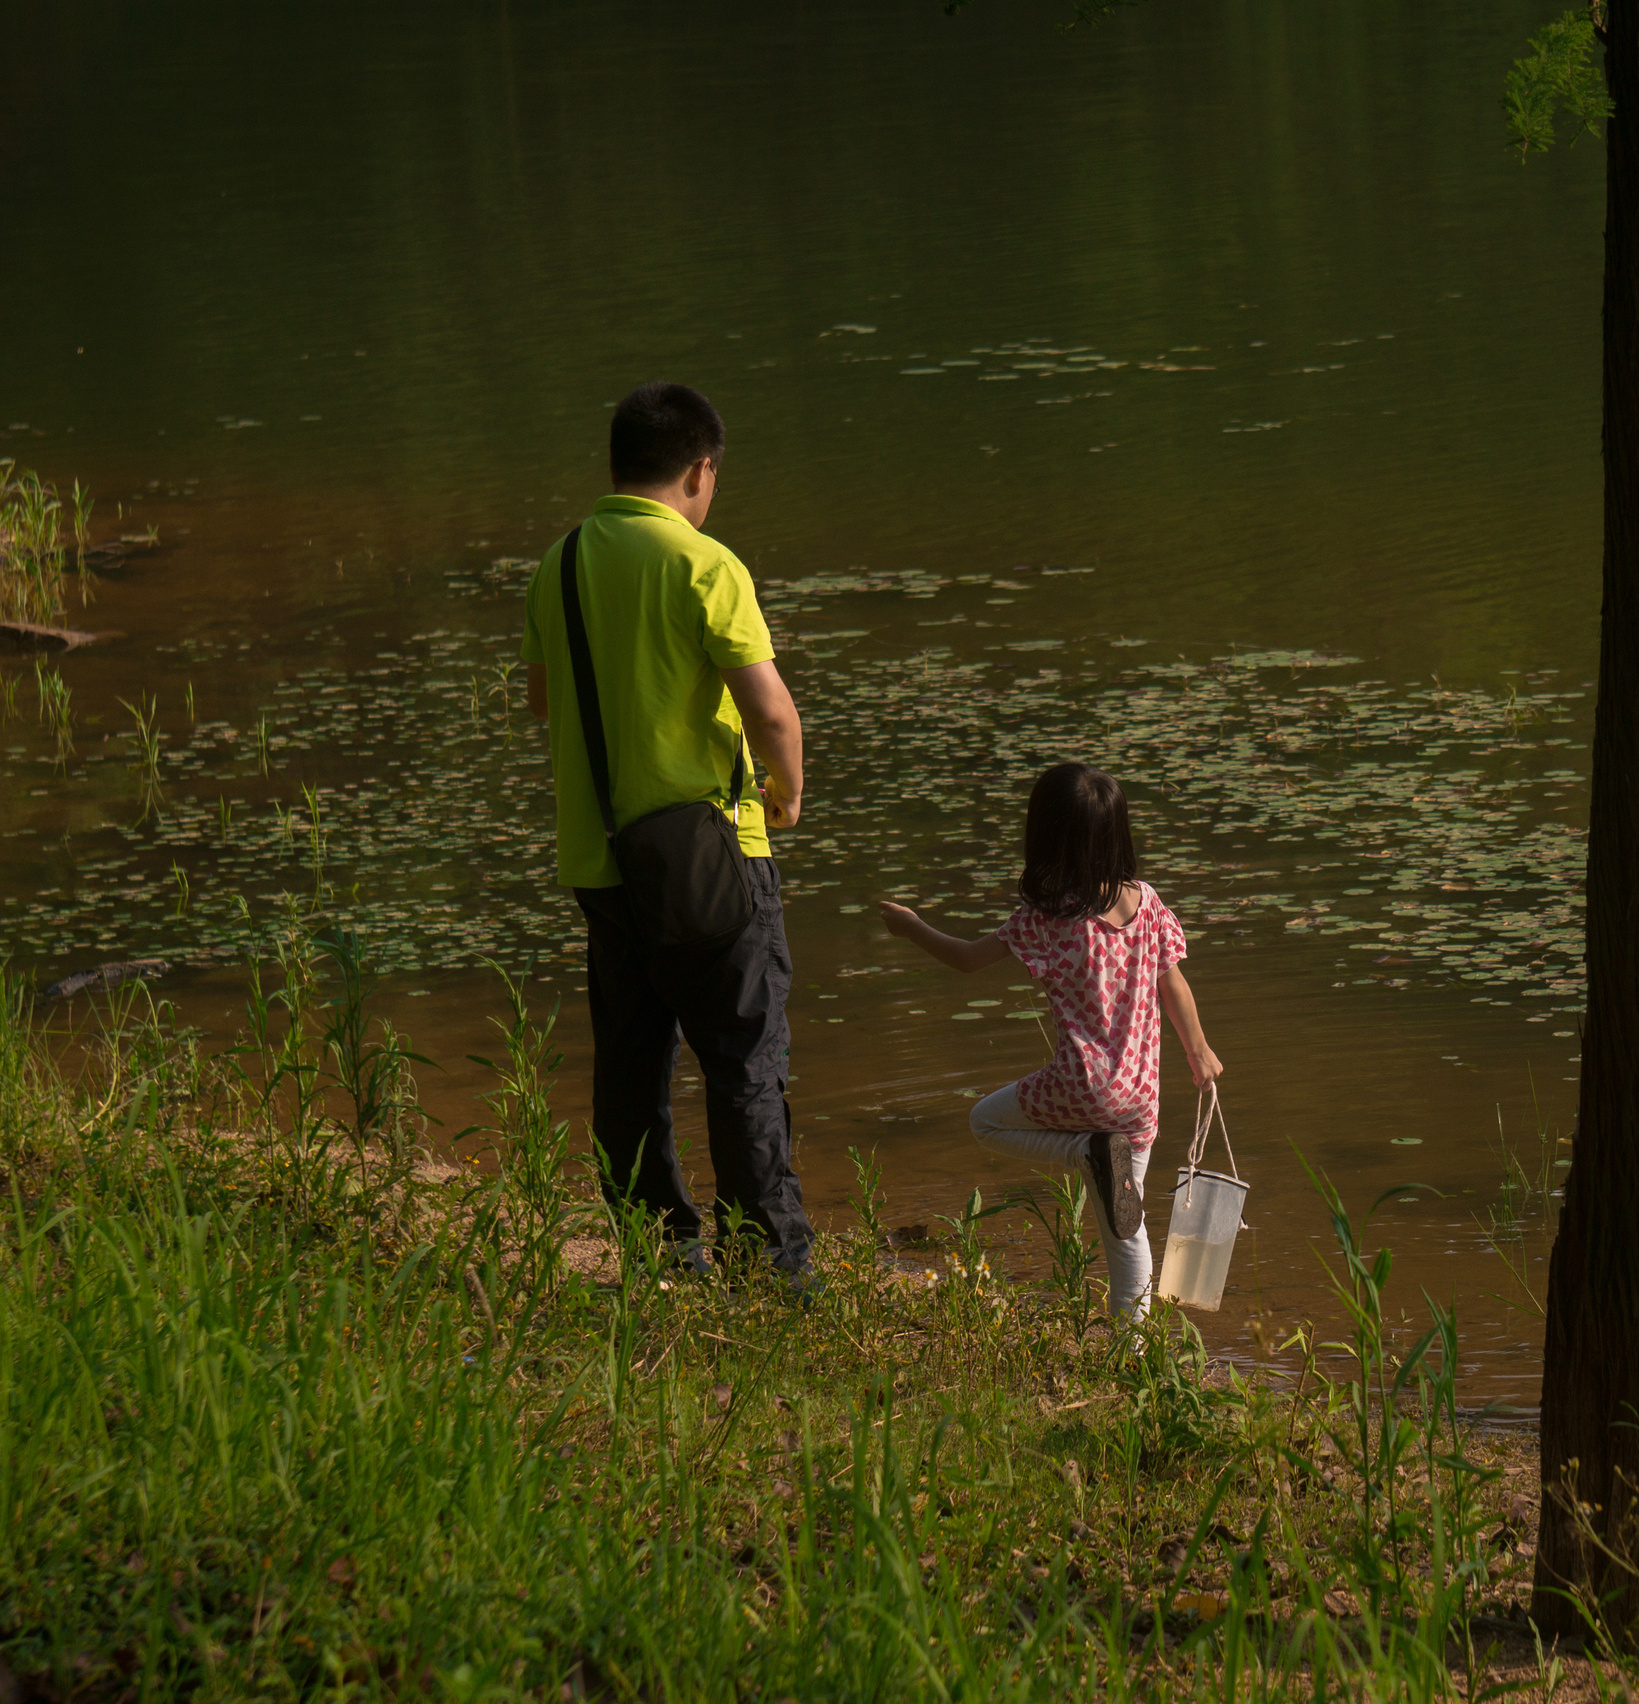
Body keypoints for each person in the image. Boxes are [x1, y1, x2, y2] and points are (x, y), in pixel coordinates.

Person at [521, 381, 814, 1275]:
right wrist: (786, 795)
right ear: (699, 471)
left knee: (631, 1063)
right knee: (744, 1058)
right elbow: (772, 713)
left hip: (602, 859)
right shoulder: (703, 564)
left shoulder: (560, 564)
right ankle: (768, 1264)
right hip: (710, 856)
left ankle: (660, 1251)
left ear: (616, 465)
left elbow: (542, 702)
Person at [878, 762, 1221, 1316]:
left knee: (984, 1122)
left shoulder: (1044, 919)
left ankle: (1085, 1152)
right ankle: (1133, 1350)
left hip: (1078, 1087)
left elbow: (966, 959)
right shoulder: (1148, 903)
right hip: (1139, 1099)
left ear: (1046, 837)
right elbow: (1173, 983)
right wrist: (1198, 1051)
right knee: (1125, 1233)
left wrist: (911, 926)